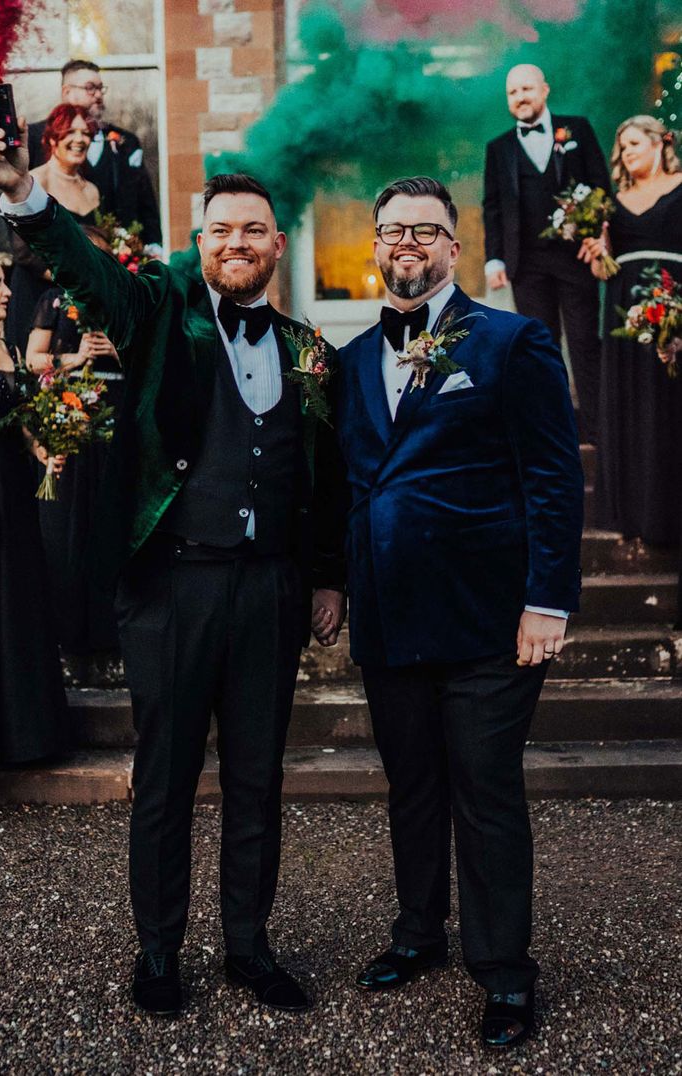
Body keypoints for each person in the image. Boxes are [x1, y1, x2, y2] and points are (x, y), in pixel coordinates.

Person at [0, 111, 347, 1016]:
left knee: (260, 779)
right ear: (200, 241)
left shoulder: (308, 350)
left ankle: (251, 951)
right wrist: (25, 196)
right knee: (167, 780)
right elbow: (92, 275)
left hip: (268, 591)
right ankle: (158, 955)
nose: (237, 241)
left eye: (253, 228)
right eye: (221, 228)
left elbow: (325, 475)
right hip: (170, 587)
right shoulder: (156, 316)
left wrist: (327, 574)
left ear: (276, 243)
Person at [327, 177, 583, 1048]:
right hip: (391, 618)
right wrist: (334, 580)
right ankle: (417, 934)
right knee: (413, 788)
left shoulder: (512, 342)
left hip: (490, 623)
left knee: (486, 793)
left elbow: (553, 479)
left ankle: (505, 973)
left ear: (454, 246)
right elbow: (345, 486)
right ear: (375, 245)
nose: (407, 242)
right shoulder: (354, 358)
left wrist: (547, 600)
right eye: (391, 228)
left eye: (425, 230)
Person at [0, 249, 67, 791]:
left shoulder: (4, 346)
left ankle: (24, 736)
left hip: (16, 493)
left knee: (17, 602)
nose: (8, 292)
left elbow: (21, 420)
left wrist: (42, 453)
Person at [483, 63, 610, 444]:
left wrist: (599, 237)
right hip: (527, 264)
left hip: (577, 257)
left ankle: (598, 433)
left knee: (586, 343)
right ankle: (554, 431)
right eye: (512, 92)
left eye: (526, 89)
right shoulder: (499, 147)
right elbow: (492, 207)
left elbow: (601, 186)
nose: (520, 97)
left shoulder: (577, 130)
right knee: (541, 348)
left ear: (544, 90)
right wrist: (495, 258)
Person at [578, 117, 682, 554]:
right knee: (633, 404)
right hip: (623, 308)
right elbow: (604, 271)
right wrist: (598, 254)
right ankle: (636, 516)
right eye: (621, 148)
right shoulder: (613, 202)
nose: (626, 153)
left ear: (661, 143)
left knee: (668, 403)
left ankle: (669, 515)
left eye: (634, 143)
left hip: (672, 297)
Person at [26, 225, 124, 656]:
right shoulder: (53, 301)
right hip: (68, 428)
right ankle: (70, 640)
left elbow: (157, 356)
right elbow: (33, 362)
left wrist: (118, 350)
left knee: (112, 532)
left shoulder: (125, 302)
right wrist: (77, 358)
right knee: (66, 534)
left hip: (117, 430)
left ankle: (113, 639)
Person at [28, 59, 163, 253]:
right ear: (67, 92)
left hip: (119, 256)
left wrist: (153, 247)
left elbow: (145, 200)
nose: (98, 95)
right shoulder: (35, 137)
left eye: (101, 89)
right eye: (90, 88)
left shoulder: (127, 142)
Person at [6, 103, 99, 356]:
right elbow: (23, 250)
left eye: (86, 133)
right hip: (36, 291)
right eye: (70, 132)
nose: (80, 139)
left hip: (79, 300)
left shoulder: (93, 190)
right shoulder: (34, 182)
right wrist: (70, 278)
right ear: (51, 139)